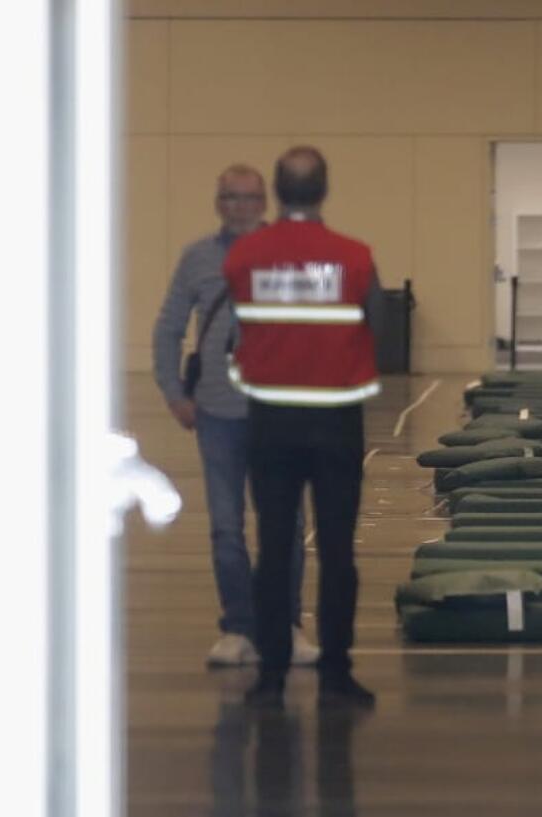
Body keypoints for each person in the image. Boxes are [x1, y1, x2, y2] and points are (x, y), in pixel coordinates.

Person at [224, 146, 386, 709]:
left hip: (270, 423)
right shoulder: (355, 257)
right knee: (338, 552)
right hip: (337, 423)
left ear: (276, 188)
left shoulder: (246, 256)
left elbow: (238, 327)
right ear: (324, 190)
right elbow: (380, 331)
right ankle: (336, 673)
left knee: (273, 548)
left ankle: (270, 676)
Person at [152, 164, 319, 668]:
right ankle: (239, 628)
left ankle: (286, 626)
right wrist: (173, 393)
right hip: (217, 414)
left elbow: (315, 330)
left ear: (264, 201)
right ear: (218, 202)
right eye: (230, 197)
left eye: (249, 197)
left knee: (284, 524)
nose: (240, 206)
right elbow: (168, 328)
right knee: (226, 525)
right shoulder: (197, 258)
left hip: (280, 414)